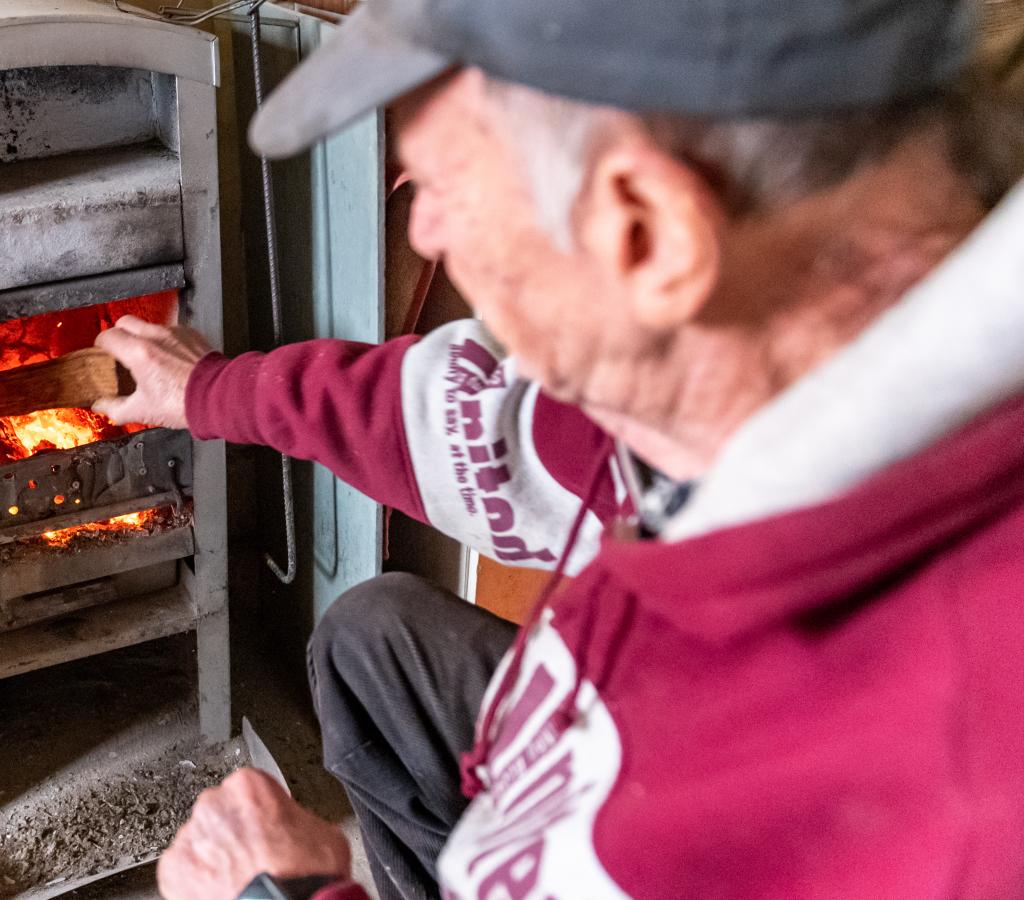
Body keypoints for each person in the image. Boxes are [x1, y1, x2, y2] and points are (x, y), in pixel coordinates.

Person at [92, 0, 1024, 895]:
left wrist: (283, 895)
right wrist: (207, 390)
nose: (423, 228)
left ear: (649, 234)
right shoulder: (748, 367)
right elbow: (470, 422)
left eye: (446, 185)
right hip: (605, 705)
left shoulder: (950, 804)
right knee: (371, 640)